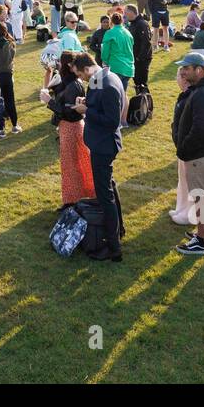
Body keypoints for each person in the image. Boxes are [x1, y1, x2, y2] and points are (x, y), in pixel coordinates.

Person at [73, 56, 125, 261]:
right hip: (101, 143)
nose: (81, 79)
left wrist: (87, 111)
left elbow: (112, 121)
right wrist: (87, 103)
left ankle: (114, 248)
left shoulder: (107, 84)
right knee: (109, 186)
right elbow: (100, 104)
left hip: (104, 146)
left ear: (87, 69)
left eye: (80, 74)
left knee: (105, 196)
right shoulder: (101, 78)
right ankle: (119, 230)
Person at [172, 52, 204, 256]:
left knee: (201, 198)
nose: (183, 72)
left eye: (187, 68)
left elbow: (200, 129)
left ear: (199, 70)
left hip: (199, 156)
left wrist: (184, 148)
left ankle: (202, 242)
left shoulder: (203, 94)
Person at [46, 52, 96, 207]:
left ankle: (73, 201)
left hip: (71, 127)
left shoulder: (73, 85)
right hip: (70, 127)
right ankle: (81, 197)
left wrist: (49, 102)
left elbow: (68, 112)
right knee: (77, 165)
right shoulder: (69, 82)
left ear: (67, 65)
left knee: (71, 166)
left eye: (60, 63)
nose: (58, 66)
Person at [125, 4, 153, 93]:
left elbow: (146, 42)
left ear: (131, 12)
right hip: (135, 57)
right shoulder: (133, 24)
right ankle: (139, 98)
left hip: (142, 59)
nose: (125, 15)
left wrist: (139, 57)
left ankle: (145, 99)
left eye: (126, 12)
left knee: (142, 83)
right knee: (137, 81)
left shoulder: (142, 24)